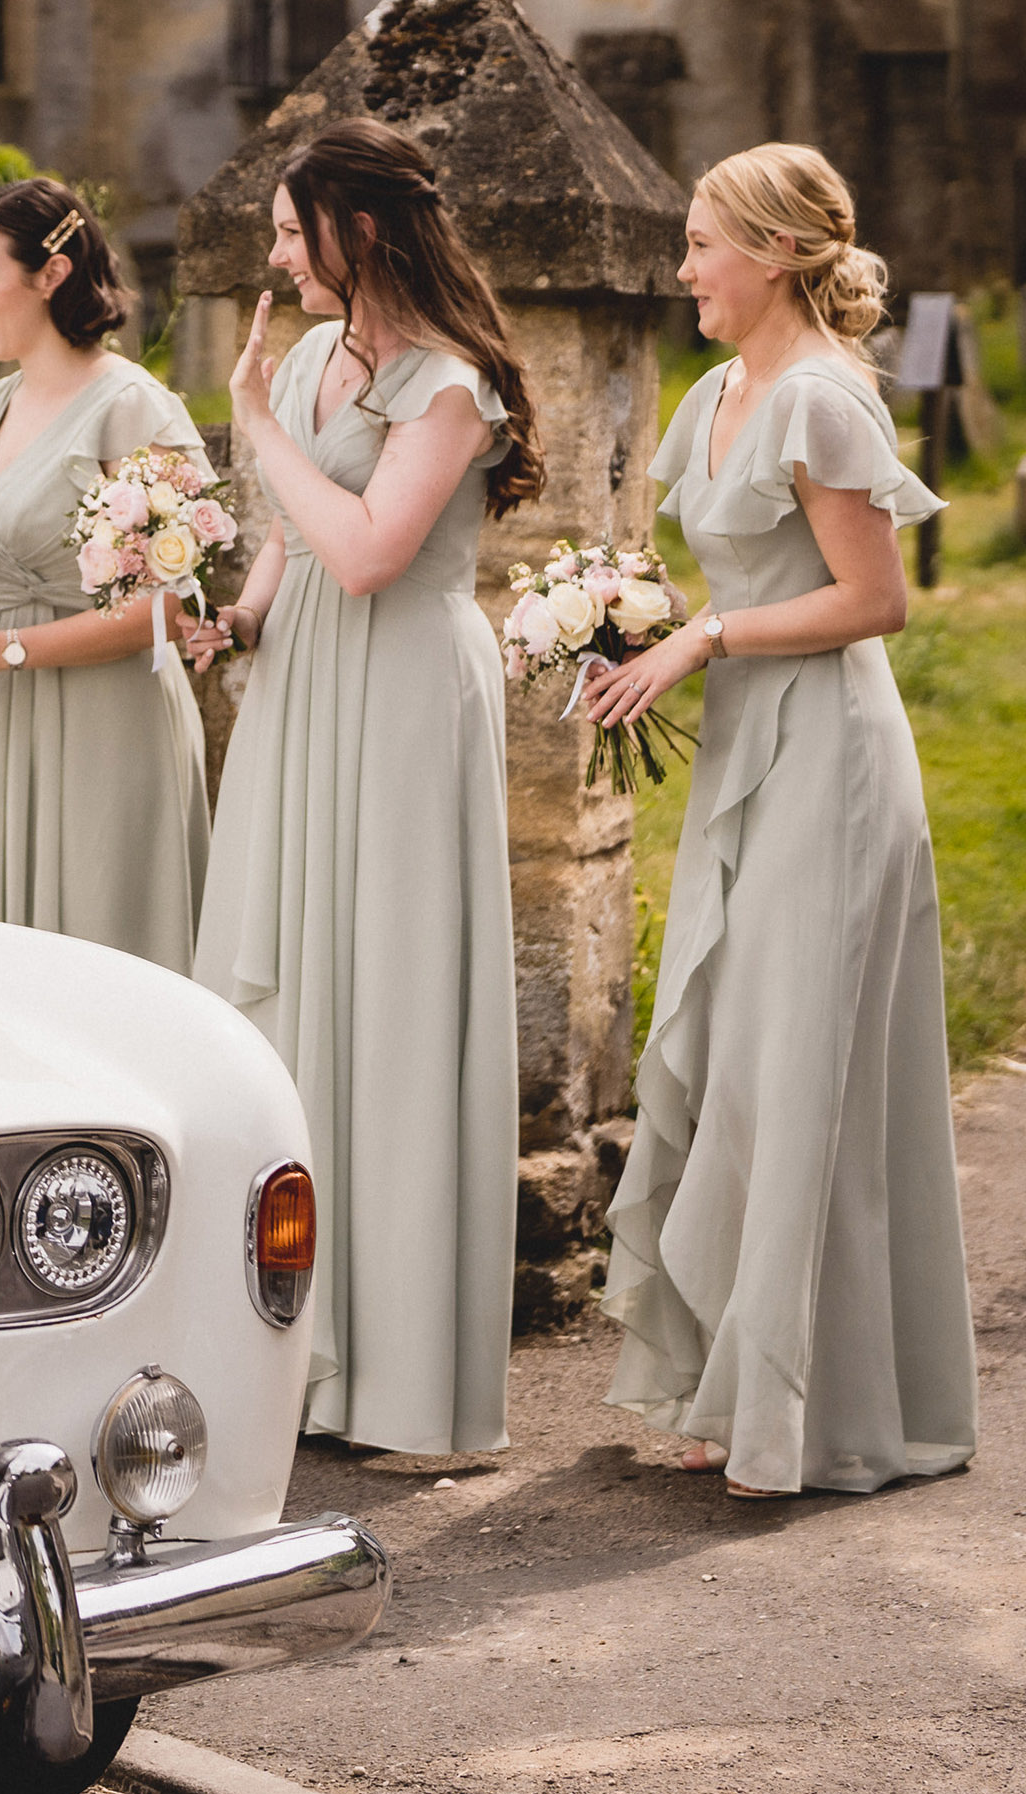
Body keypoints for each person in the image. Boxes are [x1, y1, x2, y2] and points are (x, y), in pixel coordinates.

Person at [578, 145, 974, 1499]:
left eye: (700, 244)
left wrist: (704, 636)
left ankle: (801, 1410)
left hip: (835, 762)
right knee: (736, 1064)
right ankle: (723, 1378)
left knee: (797, 1069)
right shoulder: (716, 397)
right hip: (752, 750)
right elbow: (702, 579)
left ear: (772, 251)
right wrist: (614, 626)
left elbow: (877, 600)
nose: (682, 268)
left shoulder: (821, 401)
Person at [180, 118, 539, 1456]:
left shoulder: (449, 385)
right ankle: (291, 1355)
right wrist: (241, 616)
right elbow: (297, 534)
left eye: (291, 229)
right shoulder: (325, 354)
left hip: (400, 694)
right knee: (291, 985)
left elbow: (377, 549)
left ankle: (393, 1369)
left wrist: (256, 425)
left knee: (384, 990)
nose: (275, 252)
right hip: (307, 682)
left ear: (361, 227)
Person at [0, 179, 215, 973]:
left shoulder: (133, 409)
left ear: (52, 274)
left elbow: (167, 611)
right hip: (6, 723)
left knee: (105, 958)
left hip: (109, 724)